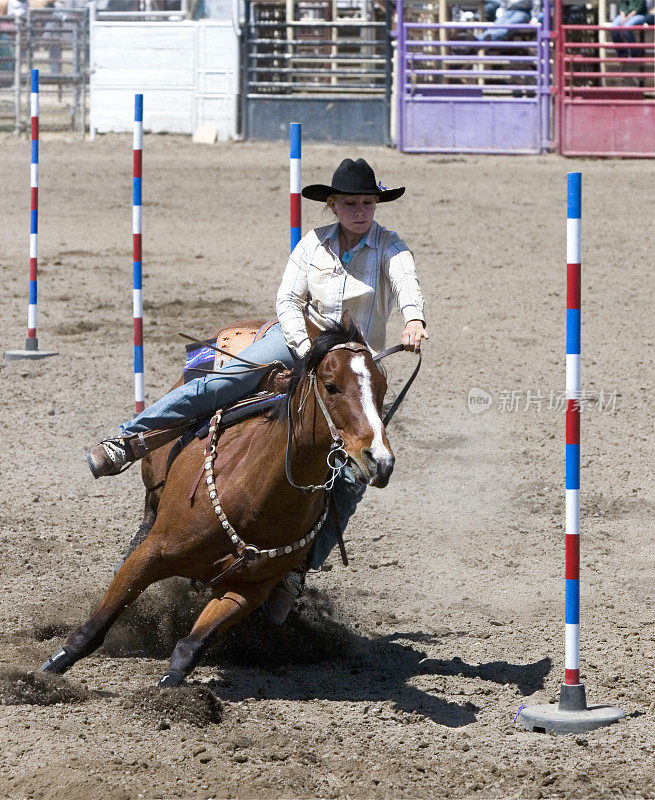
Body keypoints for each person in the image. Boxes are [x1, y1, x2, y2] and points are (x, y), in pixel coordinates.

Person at [86, 157, 428, 622]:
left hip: (351, 365)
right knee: (224, 382)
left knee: (353, 476)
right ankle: (130, 440)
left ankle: (296, 569)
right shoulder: (313, 245)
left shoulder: (391, 247)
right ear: (333, 205)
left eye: (368, 202)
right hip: (300, 338)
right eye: (351, 202)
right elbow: (287, 300)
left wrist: (413, 318)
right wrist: (306, 347)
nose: (361, 209)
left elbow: (406, 283)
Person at [476, 0, 540, 41]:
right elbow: (504, 2)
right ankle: (478, 39)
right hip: (508, 11)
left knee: (509, 24)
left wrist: (534, 17)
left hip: (523, 11)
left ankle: (490, 38)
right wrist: (502, 9)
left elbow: (536, 3)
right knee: (497, 24)